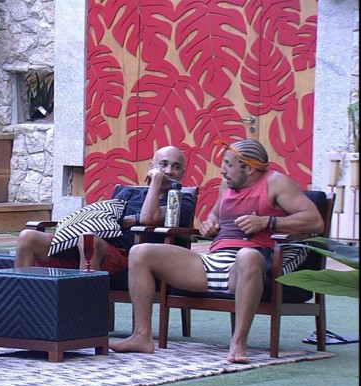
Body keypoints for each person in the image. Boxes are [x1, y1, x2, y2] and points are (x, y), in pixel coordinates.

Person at [110, 139, 324, 364]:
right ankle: (141, 336)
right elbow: (215, 215)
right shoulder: (226, 185)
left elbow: (315, 221)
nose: (222, 170)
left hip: (249, 264)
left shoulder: (276, 182)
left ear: (250, 169)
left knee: (247, 255)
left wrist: (267, 222)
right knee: (140, 252)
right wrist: (209, 223)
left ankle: (238, 342)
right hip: (214, 261)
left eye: (228, 164)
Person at [14, 145, 195, 274]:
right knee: (28, 237)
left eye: (176, 167)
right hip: (91, 247)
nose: (169, 171)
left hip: (129, 257)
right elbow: (106, 219)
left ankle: (87, 314)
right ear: (151, 167)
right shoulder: (129, 193)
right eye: (163, 164)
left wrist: (155, 181)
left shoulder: (182, 201)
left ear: (182, 174)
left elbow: (149, 218)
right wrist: (132, 219)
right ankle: (20, 308)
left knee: (88, 241)